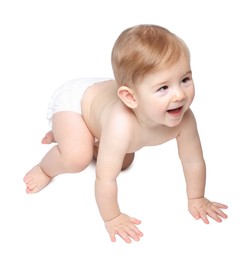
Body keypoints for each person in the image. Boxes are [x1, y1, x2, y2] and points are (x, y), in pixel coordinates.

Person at [23, 24, 228, 243]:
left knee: (123, 161)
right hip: (77, 103)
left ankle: (75, 134)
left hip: (103, 102)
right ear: (130, 98)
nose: (179, 95)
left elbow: (193, 161)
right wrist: (112, 218)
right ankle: (46, 166)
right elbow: (105, 178)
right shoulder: (120, 125)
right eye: (163, 88)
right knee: (77, 157)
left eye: (185, 80)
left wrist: (197, 198)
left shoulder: (185, 119)